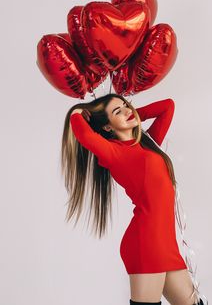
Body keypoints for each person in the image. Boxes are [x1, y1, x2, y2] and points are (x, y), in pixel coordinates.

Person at [61, 93, 204, 305]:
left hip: (165, 243)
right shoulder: (114, 153)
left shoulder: (148, 143)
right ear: (107, 127)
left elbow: (167, 106)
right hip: (146, 243)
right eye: (118, 112)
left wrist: (132, 115)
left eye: (127, 105)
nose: (128, 111)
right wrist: (76, 113)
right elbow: (85, 136)